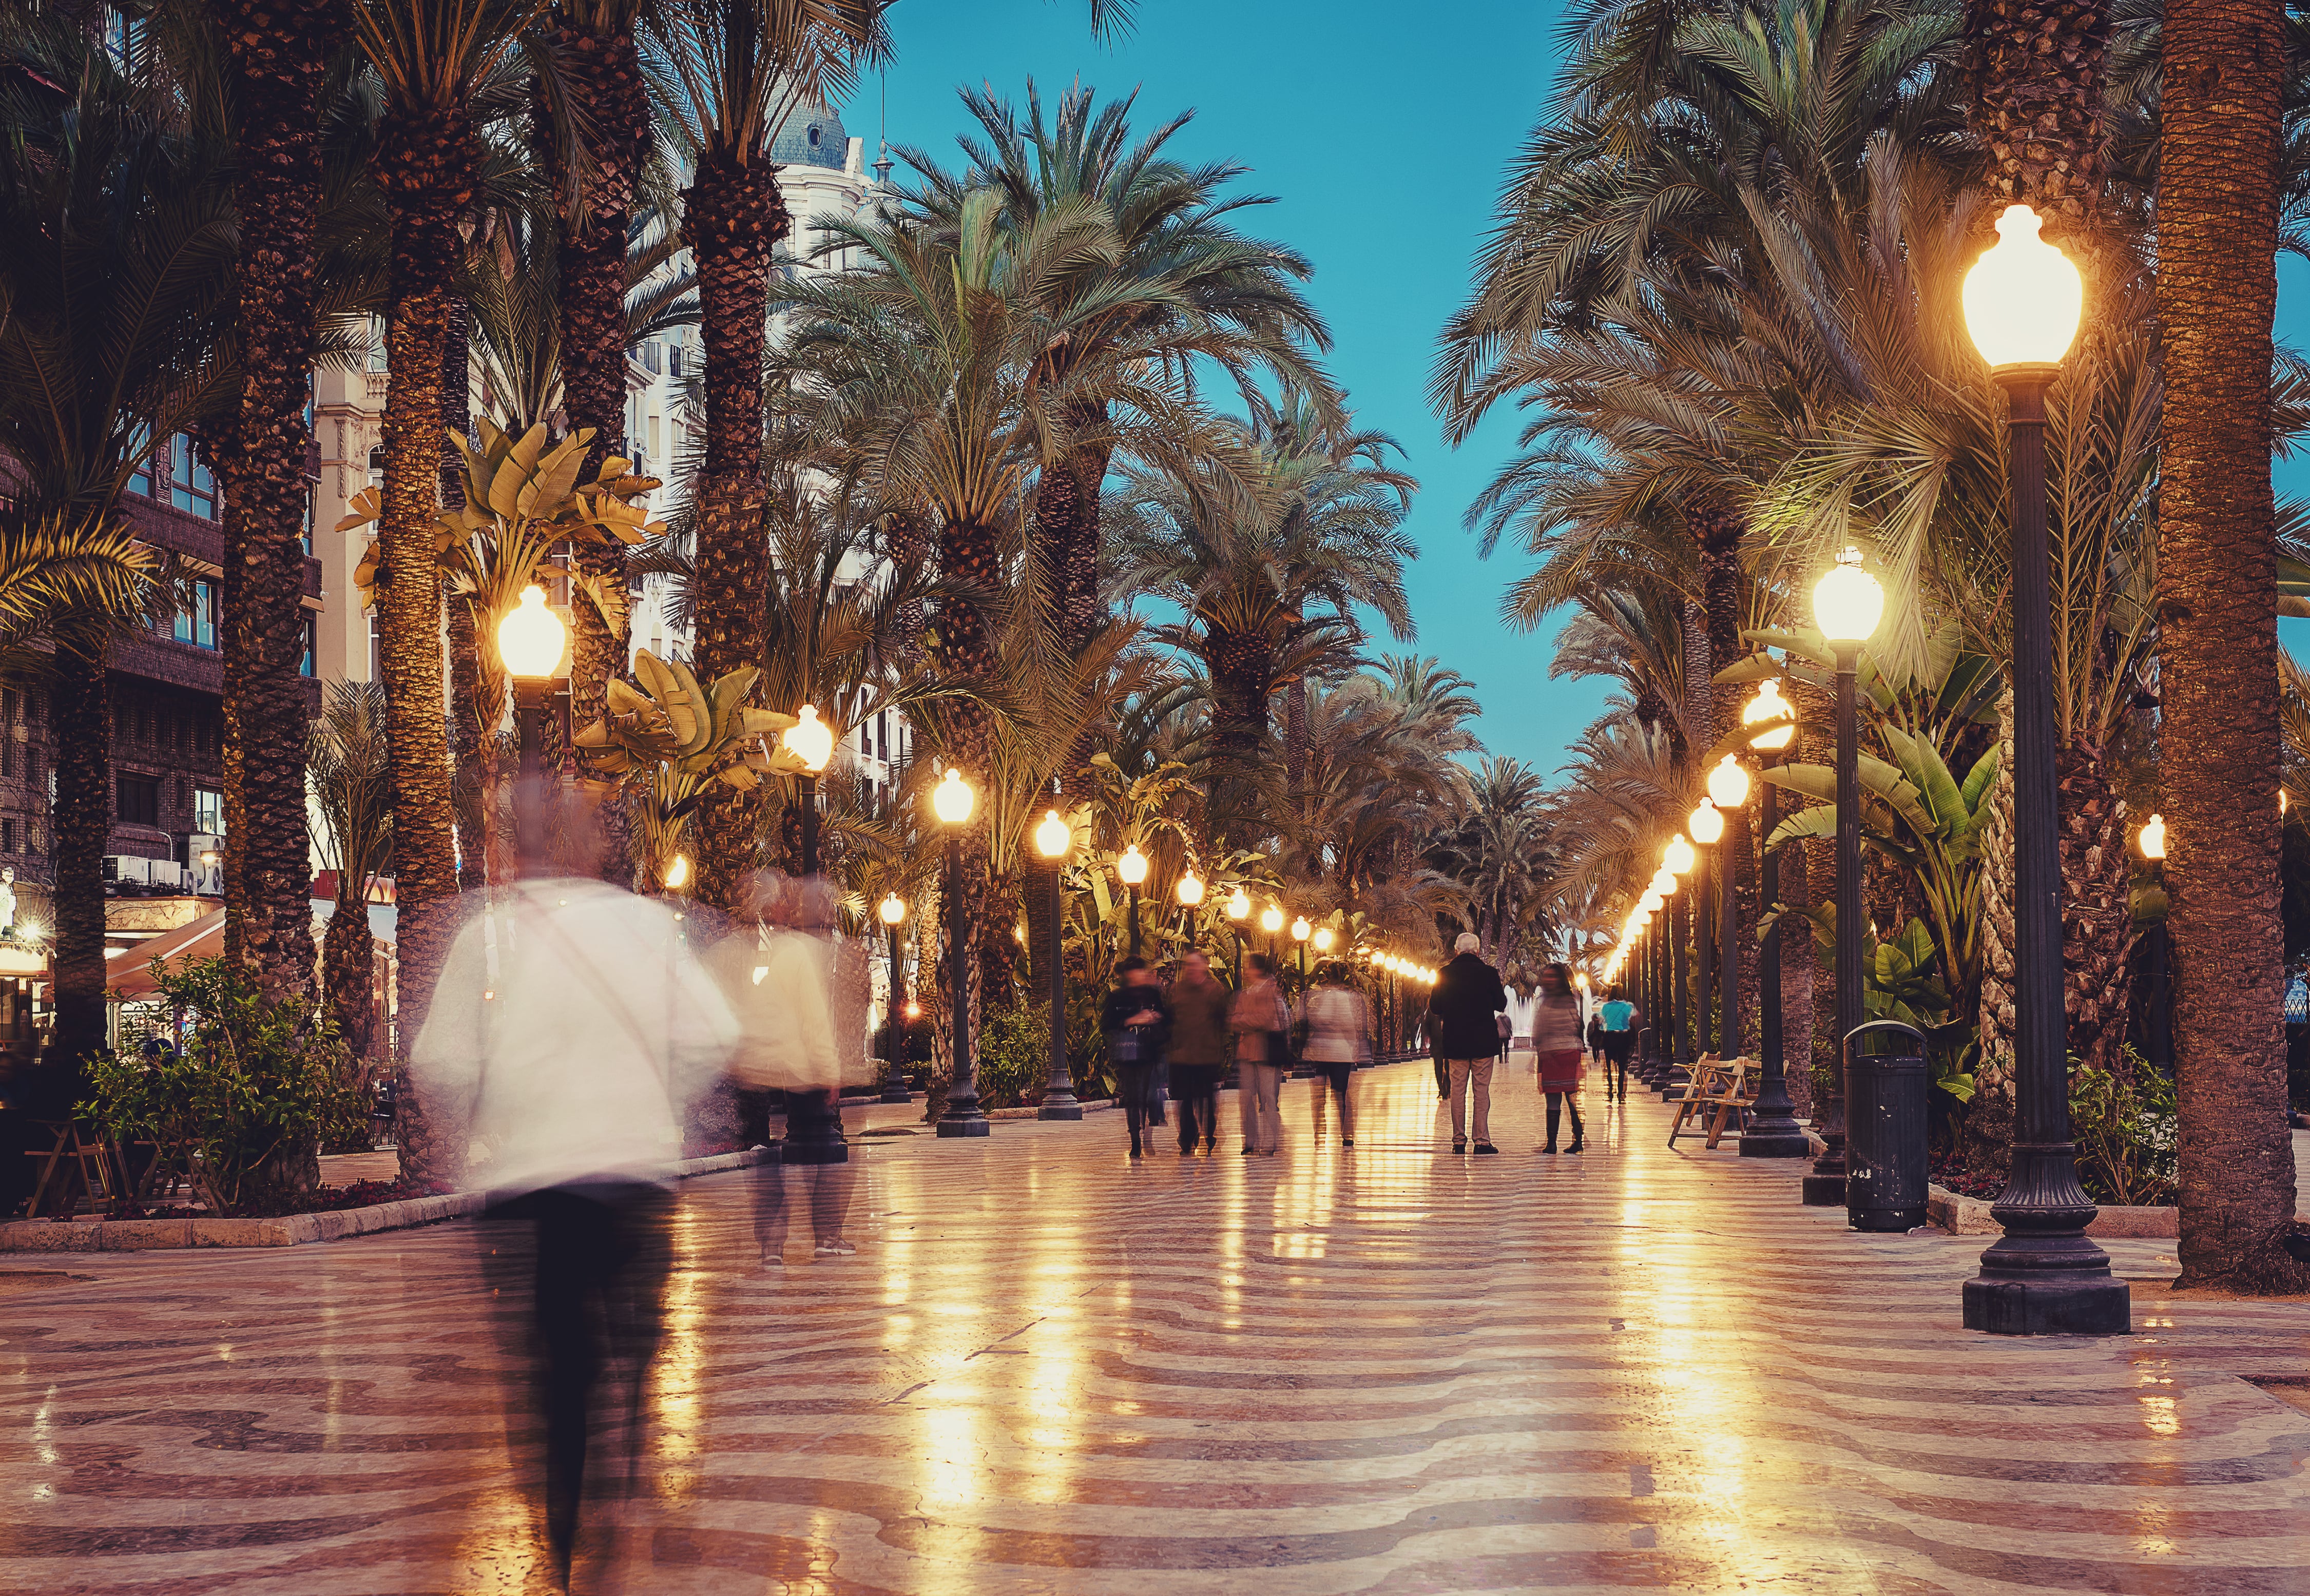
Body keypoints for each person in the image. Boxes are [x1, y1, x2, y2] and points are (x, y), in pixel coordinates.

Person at [412, 857, 737, 1591]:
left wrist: (490, 1120)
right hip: (634, 1174)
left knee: (557, 1361)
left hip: (534, 1181)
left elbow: (441, 1058)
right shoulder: (650, 927)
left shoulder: (490, 934)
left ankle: (561, 1530)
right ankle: (622, 1477)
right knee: (634, 1342)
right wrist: (656, 1103)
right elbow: (715, 1029)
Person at [1428, 931, 1509, 1154]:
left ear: (1456, 951)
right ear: (1478, 951)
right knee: (1481, 1092)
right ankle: (1482, 1141)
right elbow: (1501, 1004)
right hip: (1483, 1042)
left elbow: (1435, 1007)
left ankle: (1458, 1141)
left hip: (1456, 1042)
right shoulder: (1489, 974)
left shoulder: (1444, 974)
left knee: (1458, 1092)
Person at [1101, 957, 1171, 1158]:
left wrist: (1154, 1019)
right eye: (1136, 971)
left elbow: (1166, 1019)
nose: (1139, 975)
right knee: (1132, 1097)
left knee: (1147, 1096)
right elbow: (1107, 1023)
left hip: (1149, 1051)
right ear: (1128, 974)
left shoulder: (1152, 994)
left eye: (1142, 971)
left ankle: (1146, 1135)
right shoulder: (1118, 997)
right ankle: (1135, 1141)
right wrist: (1131, 1020)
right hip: (1127, 1053)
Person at [1297, 960, 1372, 1147]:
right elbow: (1348, 1024)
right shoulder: (1342, 997)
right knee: (1342, 1096)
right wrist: (1356, 1047)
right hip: (1340, 1054)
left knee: (1319, 1097)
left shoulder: (1316, 997)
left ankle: (1319, 1134)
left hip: (1321, 1052)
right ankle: (1347, 1135)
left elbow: (1307, 1020)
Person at [1167, 949, 1231, 1155]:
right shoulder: (1176, 990)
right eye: (1189, 967)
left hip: (1206, 1056)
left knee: (1207, 1101)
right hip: (1182, 1056)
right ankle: (1187, 1137)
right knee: (1185, 1100)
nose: (1192, 971)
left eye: (1196, 966)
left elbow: (1223, 1021)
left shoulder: (1215, 991)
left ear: (1204, 968)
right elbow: (1169, 1020)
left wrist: (1217, 1046)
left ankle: (1209, 1134)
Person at [1230, 952, 1290, 1154]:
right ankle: (1250, 1141)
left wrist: (1245, 1019)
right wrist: (1248, 1019)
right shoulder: (1245, 994)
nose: (1245, 971)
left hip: (1265, 1051)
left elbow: (1263, 1020)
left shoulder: (1269, 992)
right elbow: (1234, 1020)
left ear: (1256, 969)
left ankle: (1270, 1142)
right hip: (1247, 1051)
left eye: (1248, 966)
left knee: (1268, 1097)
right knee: (1246, 1097)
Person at [1534, 962, 1587, 1153]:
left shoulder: (1549, 1002)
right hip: (1564, 1054)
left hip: (1556, 1055)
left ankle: (1554, 1143)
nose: (1549, 980)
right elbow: (1577, 1026)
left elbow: (1540, 1029)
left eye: (1552, 976)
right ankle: (1572, 1141)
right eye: (1546, 976)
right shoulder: (1570, 1000)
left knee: (1559, 1100)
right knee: (1565, 1099)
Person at [1599, 982, 1639, 1103]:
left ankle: (1610, 1092)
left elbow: (1601, 1020)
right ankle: (1621, 1095)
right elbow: (1635, 1017)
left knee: (1609, 1068)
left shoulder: (1606, 1007)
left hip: (1610, 1037)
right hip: (1623, 1037)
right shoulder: (1628, 1006)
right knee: (1622, 1068)